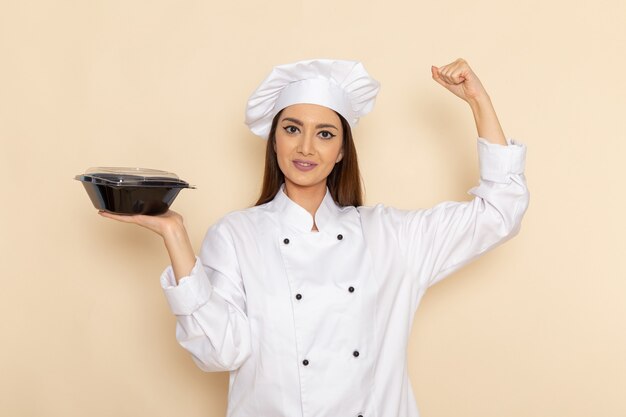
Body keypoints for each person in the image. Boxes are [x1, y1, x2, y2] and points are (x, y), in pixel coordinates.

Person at [100, 58, 529, 417]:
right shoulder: (237, 235)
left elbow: (499, 212)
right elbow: (219, 353)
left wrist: (479, 101)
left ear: (342, 150)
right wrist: (175, 236)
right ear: (274, 141)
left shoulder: (390, 236)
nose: (306, 148)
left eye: (325, 133)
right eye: (292, 129)